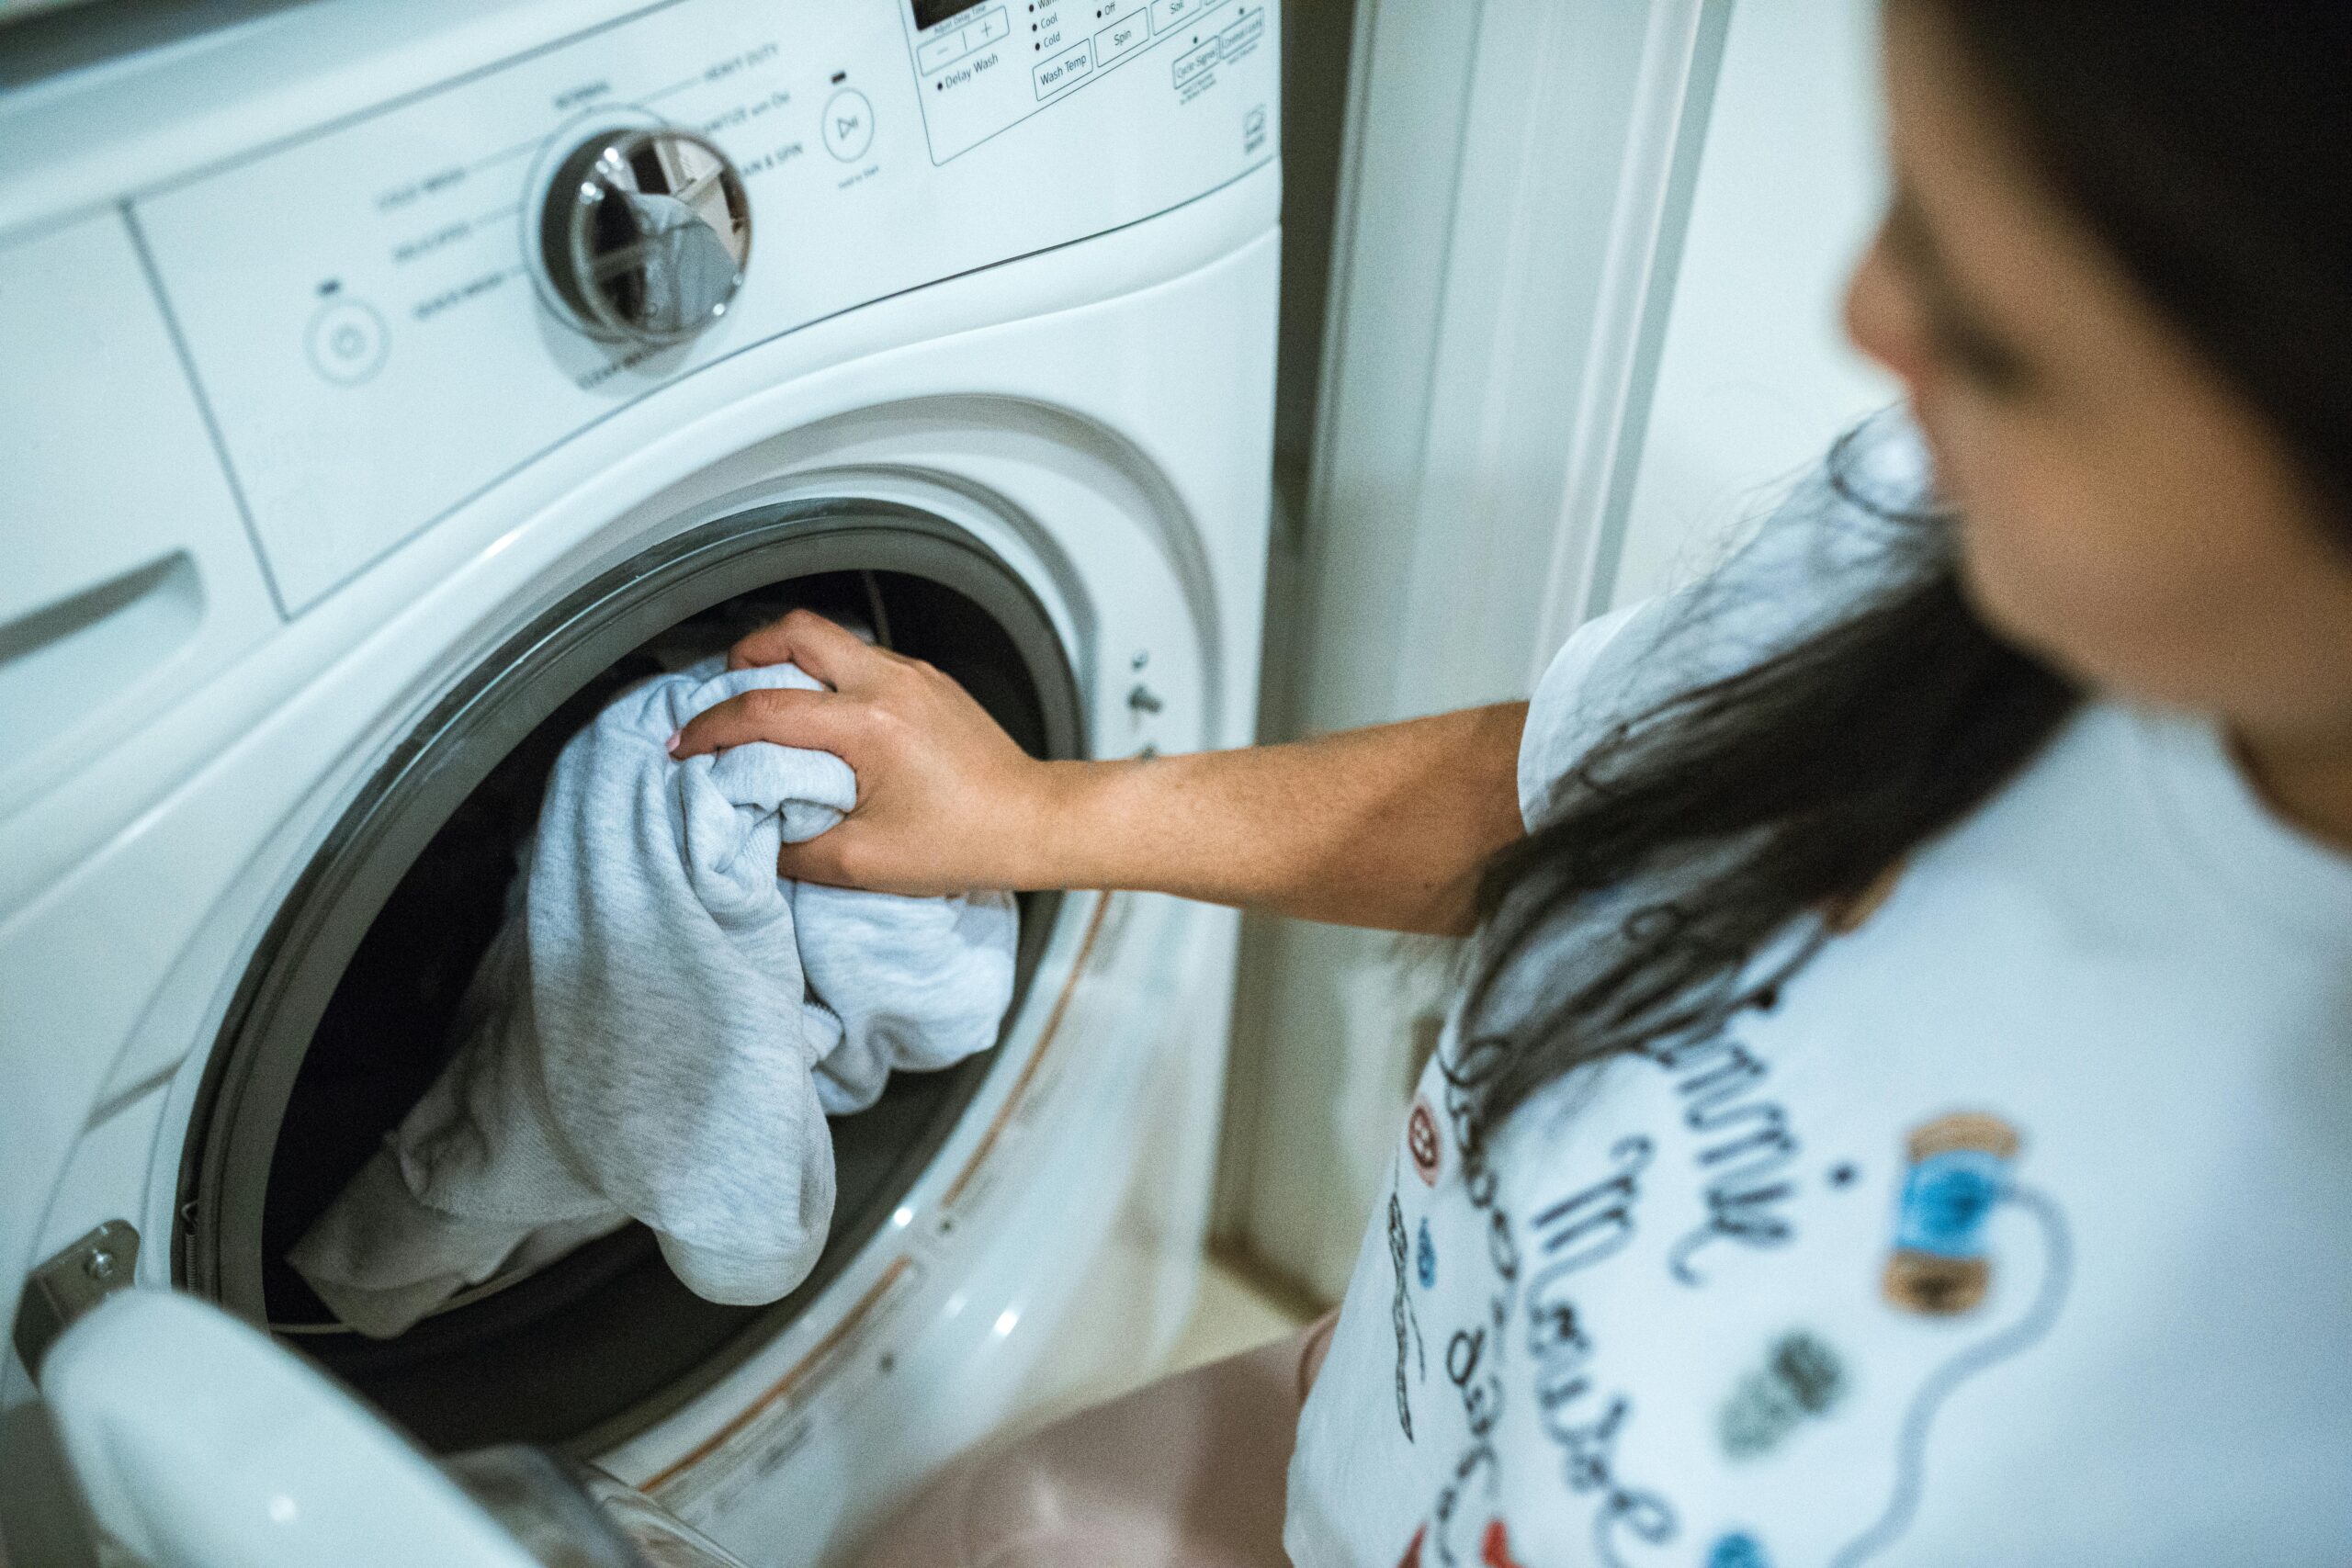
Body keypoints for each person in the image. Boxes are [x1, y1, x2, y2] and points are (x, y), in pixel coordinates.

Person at [672, 0, 2352, 1560]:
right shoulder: (1921, 545)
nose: (1867, 322)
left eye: (1998, 335)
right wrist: (1041, 814)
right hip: (1385, 1437)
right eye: (1911, 203)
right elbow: (1567, 787)